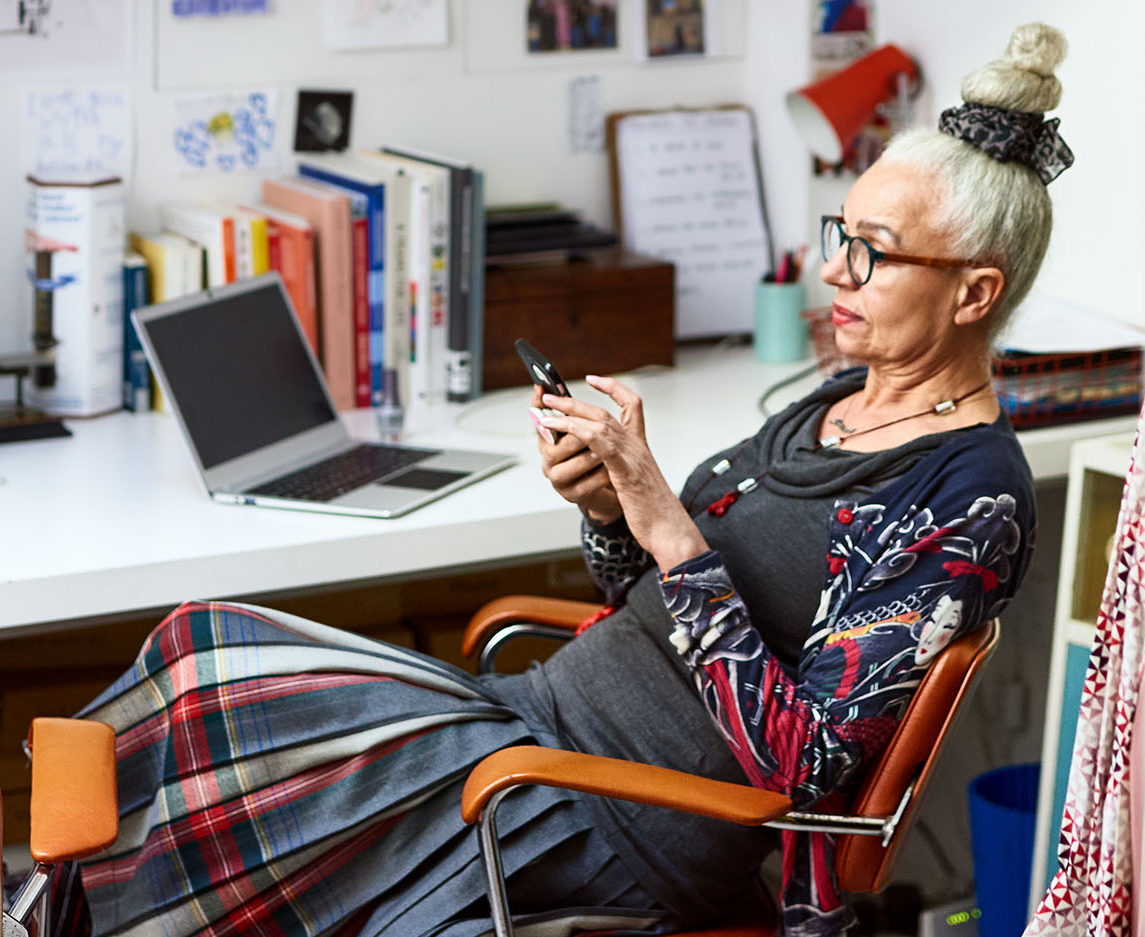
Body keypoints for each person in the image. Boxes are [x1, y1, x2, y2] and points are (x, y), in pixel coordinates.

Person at [60, 22, 1068, 937]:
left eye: (875, 255)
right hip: (531, 724)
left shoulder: (967, 499)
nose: (834, 272)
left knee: (231, 787)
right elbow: (666, 607)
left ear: (975, 291)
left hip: (603, 818)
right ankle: (46, 914)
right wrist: (610, 508)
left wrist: (668, 522)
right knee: (201, 653)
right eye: (838, 235)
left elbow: (801, 766)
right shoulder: (834, 404)